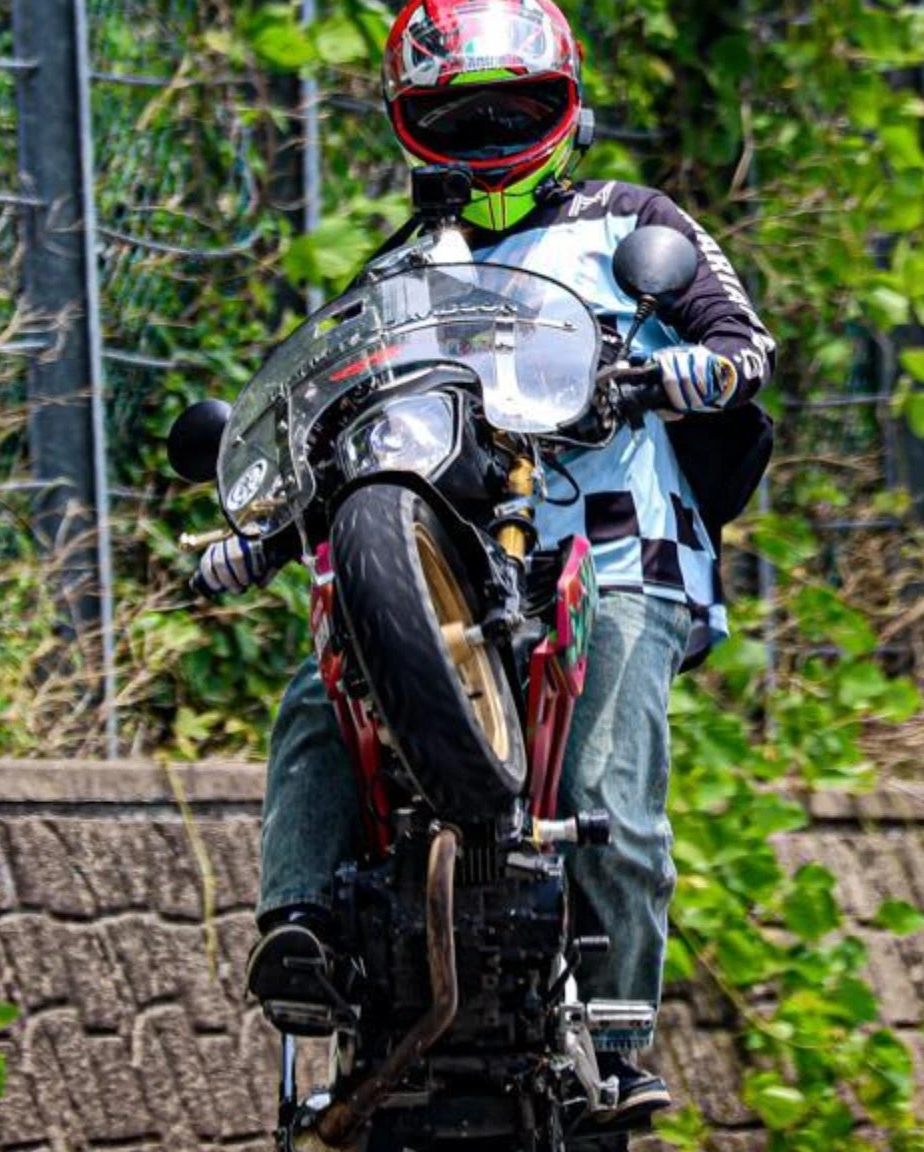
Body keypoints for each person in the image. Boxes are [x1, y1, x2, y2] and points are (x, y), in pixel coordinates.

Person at [196, 0, 777, 1126]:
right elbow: (339, 425)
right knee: (321, 689)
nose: (489, 130)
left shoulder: (630, 222)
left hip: (612, 550)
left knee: (607, 776)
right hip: (443, 567)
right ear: (411, 123)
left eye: (514, 108)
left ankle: (618, 1034)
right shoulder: (398, 270)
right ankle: (300, 929)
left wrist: (678, 373)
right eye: (458, 114)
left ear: (566, 106)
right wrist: (260, 529)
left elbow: (741, 344)